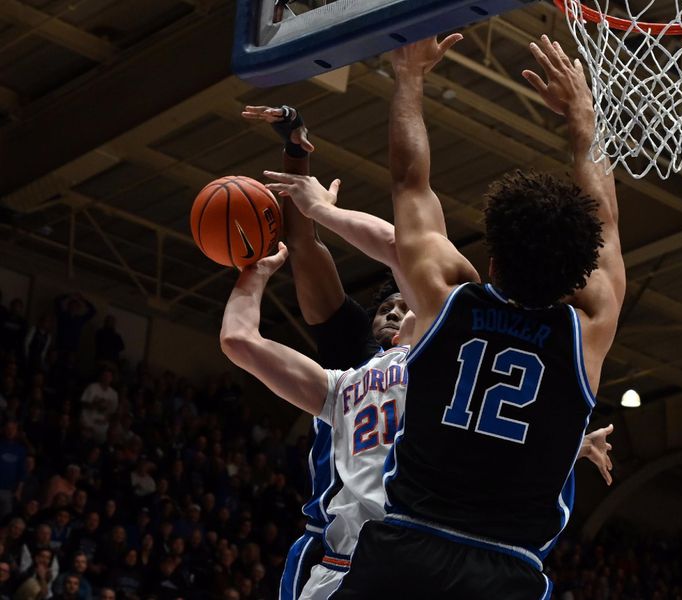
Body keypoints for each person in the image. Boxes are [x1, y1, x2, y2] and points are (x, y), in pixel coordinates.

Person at [324, 34, 625, 599]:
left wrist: (409, 75)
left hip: (405, 549)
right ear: (579, 271)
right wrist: (585, 119)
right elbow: (604, 221)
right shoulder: (588, 329)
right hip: (503, 572)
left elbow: (409, 181)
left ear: (489, 259)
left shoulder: (447, 300)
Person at [239, 104, 412, 600]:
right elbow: (302, 241)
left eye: (406, 306)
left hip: (409, 545)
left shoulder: (444, 356)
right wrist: (296, 152)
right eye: (388, 306)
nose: (397, 313)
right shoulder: (350, 346)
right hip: (337, 545)